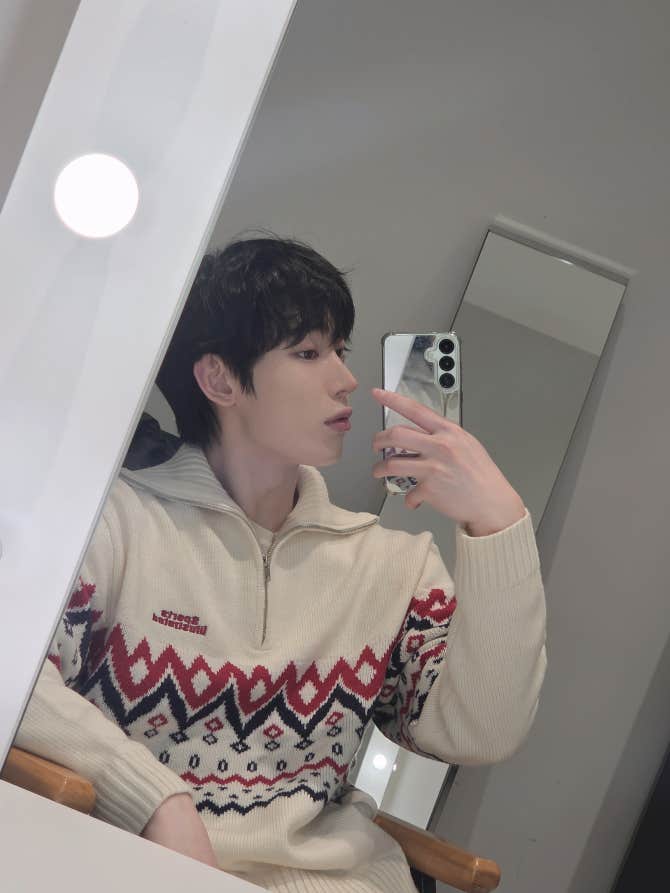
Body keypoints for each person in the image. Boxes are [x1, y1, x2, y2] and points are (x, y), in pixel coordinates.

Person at [16, 235, 547, 893]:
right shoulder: (113, 524)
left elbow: (478, 733)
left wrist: (499, 524)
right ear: (220, 379)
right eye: (308, 352)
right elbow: (16, 681)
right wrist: (156, 798)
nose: (346, 379)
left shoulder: (396, 565)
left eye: (341, 350)